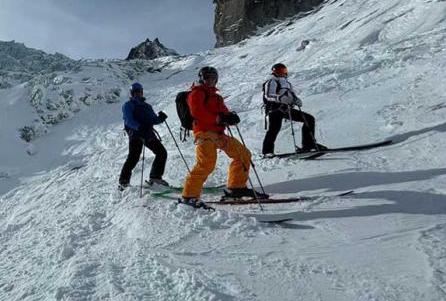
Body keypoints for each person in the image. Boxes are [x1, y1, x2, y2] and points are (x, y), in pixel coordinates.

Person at [179, 66, 264, 209]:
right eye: (207, 78)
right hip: (204, 133)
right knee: (206, 164)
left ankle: (236, 187)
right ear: (201, 78)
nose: (210, 80)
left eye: (213, 78)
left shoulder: (217, 97)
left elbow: (224, 112)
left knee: (243, 154)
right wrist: (219, 119)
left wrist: (230, 117)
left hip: (219, 134)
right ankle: (189, 196)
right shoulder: (196, 93)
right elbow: (197, 112)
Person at [261, 63, 328, 155]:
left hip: (286, 108)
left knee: (309, 119)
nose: (282, 73)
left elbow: (291, 95)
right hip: (275, 109)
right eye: (279, 71)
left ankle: (309, 145)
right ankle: (267, 152)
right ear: (274, 72)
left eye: (283, 71)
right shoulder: (272, 81)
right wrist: (279, 98)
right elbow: (268, 95)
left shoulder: (287, 83)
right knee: (274, 129)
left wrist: (296, 100)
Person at [118, 82, 169, 190]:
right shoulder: (128, 105)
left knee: (161, 152)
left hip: (147, 134)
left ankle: (155, 177)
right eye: (135, 92)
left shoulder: (147, 106)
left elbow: (153, 119)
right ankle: (123, 182)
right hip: (136, 135)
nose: (138, 94)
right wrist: (138, 127)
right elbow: (128, 120)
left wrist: (160, 118)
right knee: (133, 157)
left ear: (142, 92)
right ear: (132, 94)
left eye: (139, 92)